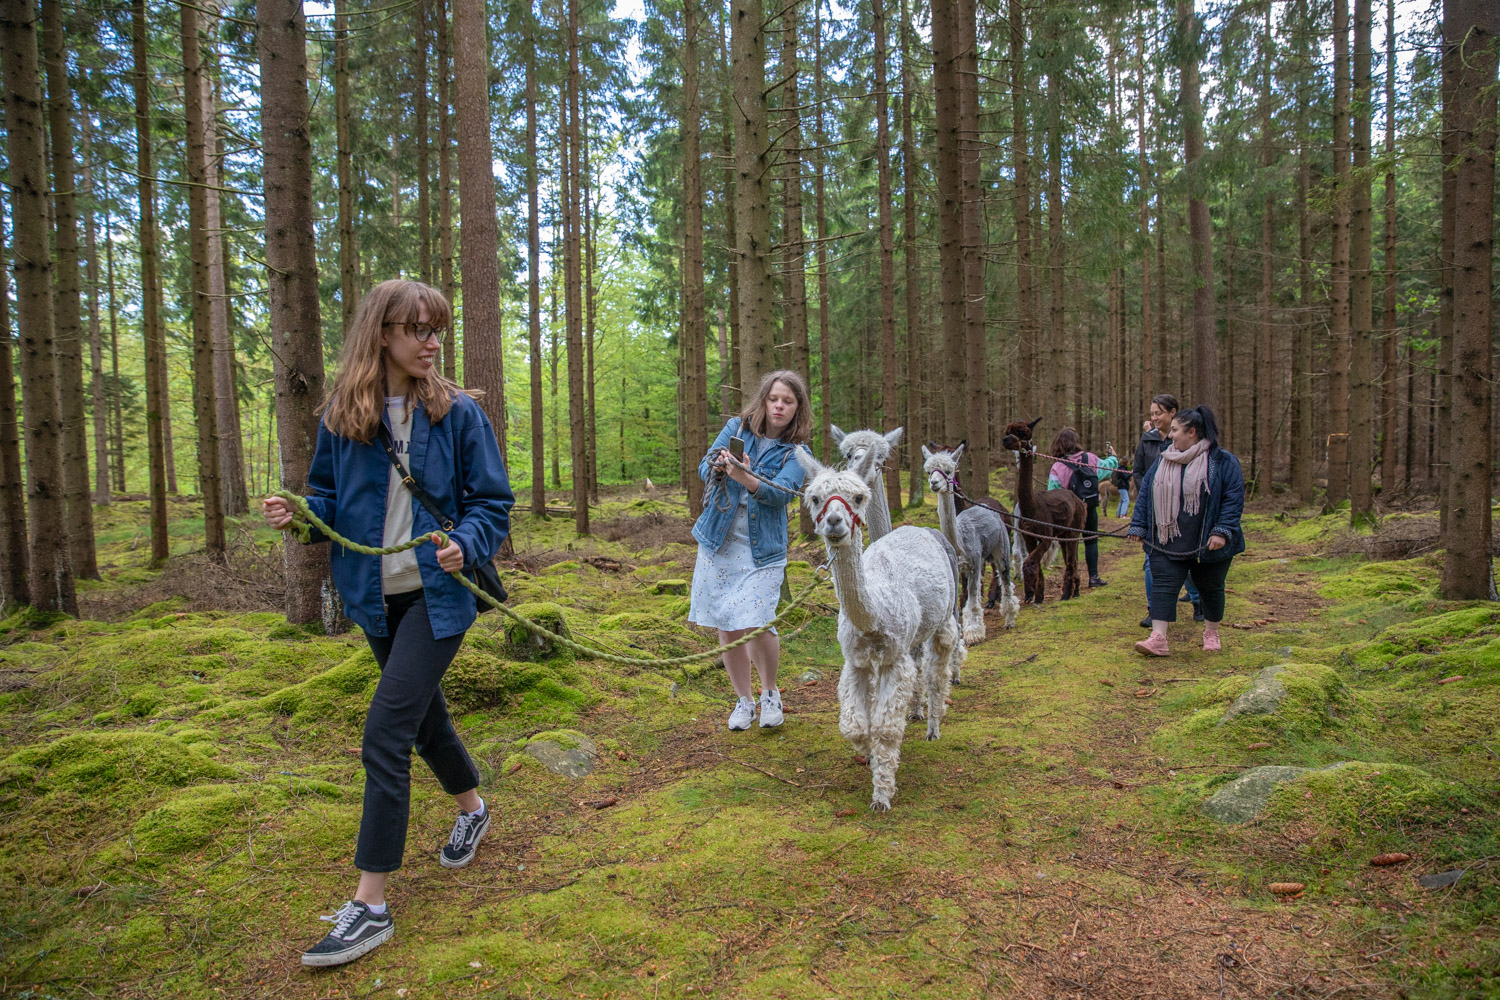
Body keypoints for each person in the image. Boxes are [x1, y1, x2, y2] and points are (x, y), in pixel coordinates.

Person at [261, 280, 514, 968]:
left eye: (438, 330)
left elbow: (492, 502)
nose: (432, 343)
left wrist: (468, 539)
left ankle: (370, 905)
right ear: (382, 333)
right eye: (418, 330)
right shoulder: (344, 416)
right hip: (373, 599)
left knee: (386, 732)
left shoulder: (459, 414)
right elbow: (327, 496)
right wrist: (299, 514)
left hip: (441, 596)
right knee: (422, 719)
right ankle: (472, 808)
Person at [689, 370, 812, 731]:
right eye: (774, 398)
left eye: (788, 401)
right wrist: (719, 466)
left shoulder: (798, 452)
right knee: (727, 625)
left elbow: (782, 492)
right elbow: (702, 468)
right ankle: (744, 700)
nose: (779, 406)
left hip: (763, 551)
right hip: (719, 541)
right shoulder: (736, 428)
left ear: (797, 408)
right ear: (764, 400)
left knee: (758, 623)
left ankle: (770, 693)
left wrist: (744, 475)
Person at [1127, 405, 1244, 656]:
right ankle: (1158, 638)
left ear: (1192, 432)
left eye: (1175, 430)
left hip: (1207, 542)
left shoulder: (1223, 462)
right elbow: (1145, 493)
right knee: (1163, 585)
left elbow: (1233, 500)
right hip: (1167, 540)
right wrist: (1139, 525)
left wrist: (1221, 531)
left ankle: (1211, 632)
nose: (1170, 435)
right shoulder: (1163, 460)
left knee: (1211, 588)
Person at [1131, 394, 1202, 628]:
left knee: (1186, 559)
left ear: (1173, 413)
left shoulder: (1184, 441)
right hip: (1154, 512)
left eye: (1159, 413)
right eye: (1152, 413)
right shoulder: (1147, 440)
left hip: (1183, 511)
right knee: (1152, 561)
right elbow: (1139, 471)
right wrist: (1149, 493)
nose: (1154, 418)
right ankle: (1155, 610)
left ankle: (1197, 600)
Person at [1046, 427, 1117, 588]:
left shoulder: (1057, 467)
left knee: (1071, 543)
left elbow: (1053, 493)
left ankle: (1072, 576)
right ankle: (1093, 577)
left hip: (1069, 512)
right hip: (1089, 507)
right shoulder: (1090, 458)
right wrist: (1113, 456)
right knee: (1091, 541)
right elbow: (1107, 469)